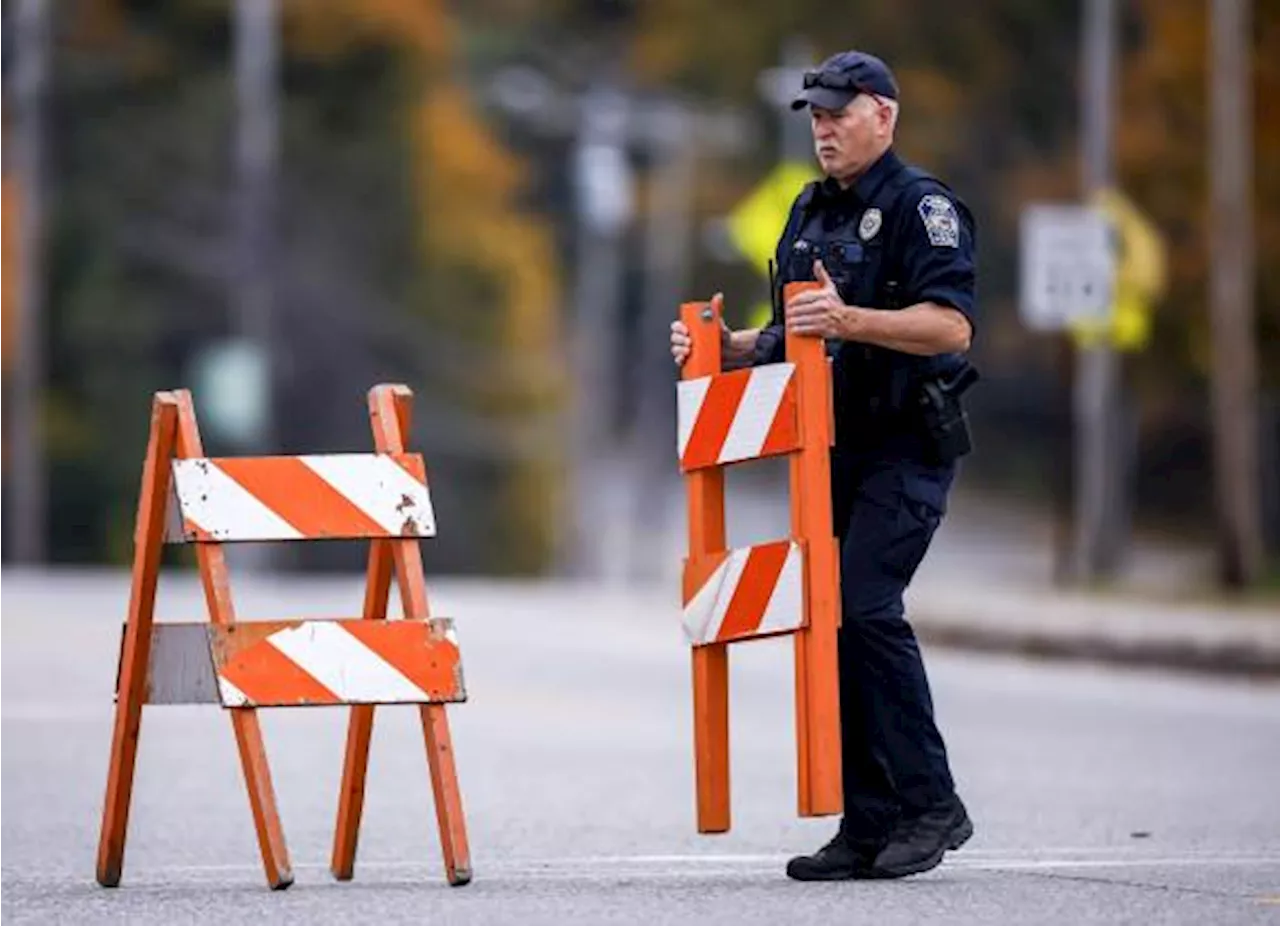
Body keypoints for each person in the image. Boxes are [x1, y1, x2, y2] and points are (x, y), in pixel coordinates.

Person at [670, 49, 979, 881]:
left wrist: (853, 320)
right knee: (828, 621)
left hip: (906, 447)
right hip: (828, 451)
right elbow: (791, 337)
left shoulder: (922, 209)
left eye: (839, 111)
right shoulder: (808, 211)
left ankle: (931, 804)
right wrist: (725, 350)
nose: (823, 128)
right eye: (815, 114)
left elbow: (951, 327)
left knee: (866, 608)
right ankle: (868, 822)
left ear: (885, 113)